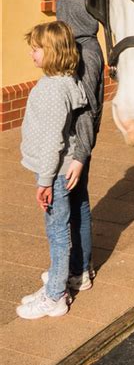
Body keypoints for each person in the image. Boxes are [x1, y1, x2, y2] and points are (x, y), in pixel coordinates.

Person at [17, 21, 87, 319]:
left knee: (57, 233)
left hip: (53, 173)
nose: (32, 55)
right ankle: (58, 281)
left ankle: (55, 295)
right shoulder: (66, 81)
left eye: (36, 49)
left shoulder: (52, 90)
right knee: (60, 229)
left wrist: (44, 182)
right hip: (57, 170)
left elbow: (51, 141)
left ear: (53, 52)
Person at [56, 0, 104, 290]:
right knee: (77, 203)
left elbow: (86, 110)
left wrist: (79, 155)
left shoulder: (85, 54)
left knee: (77, 205)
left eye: (62, 13)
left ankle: (80, 270)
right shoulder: (83, 47)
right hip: (76, 144)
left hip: (78, 145)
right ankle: (76, 265)